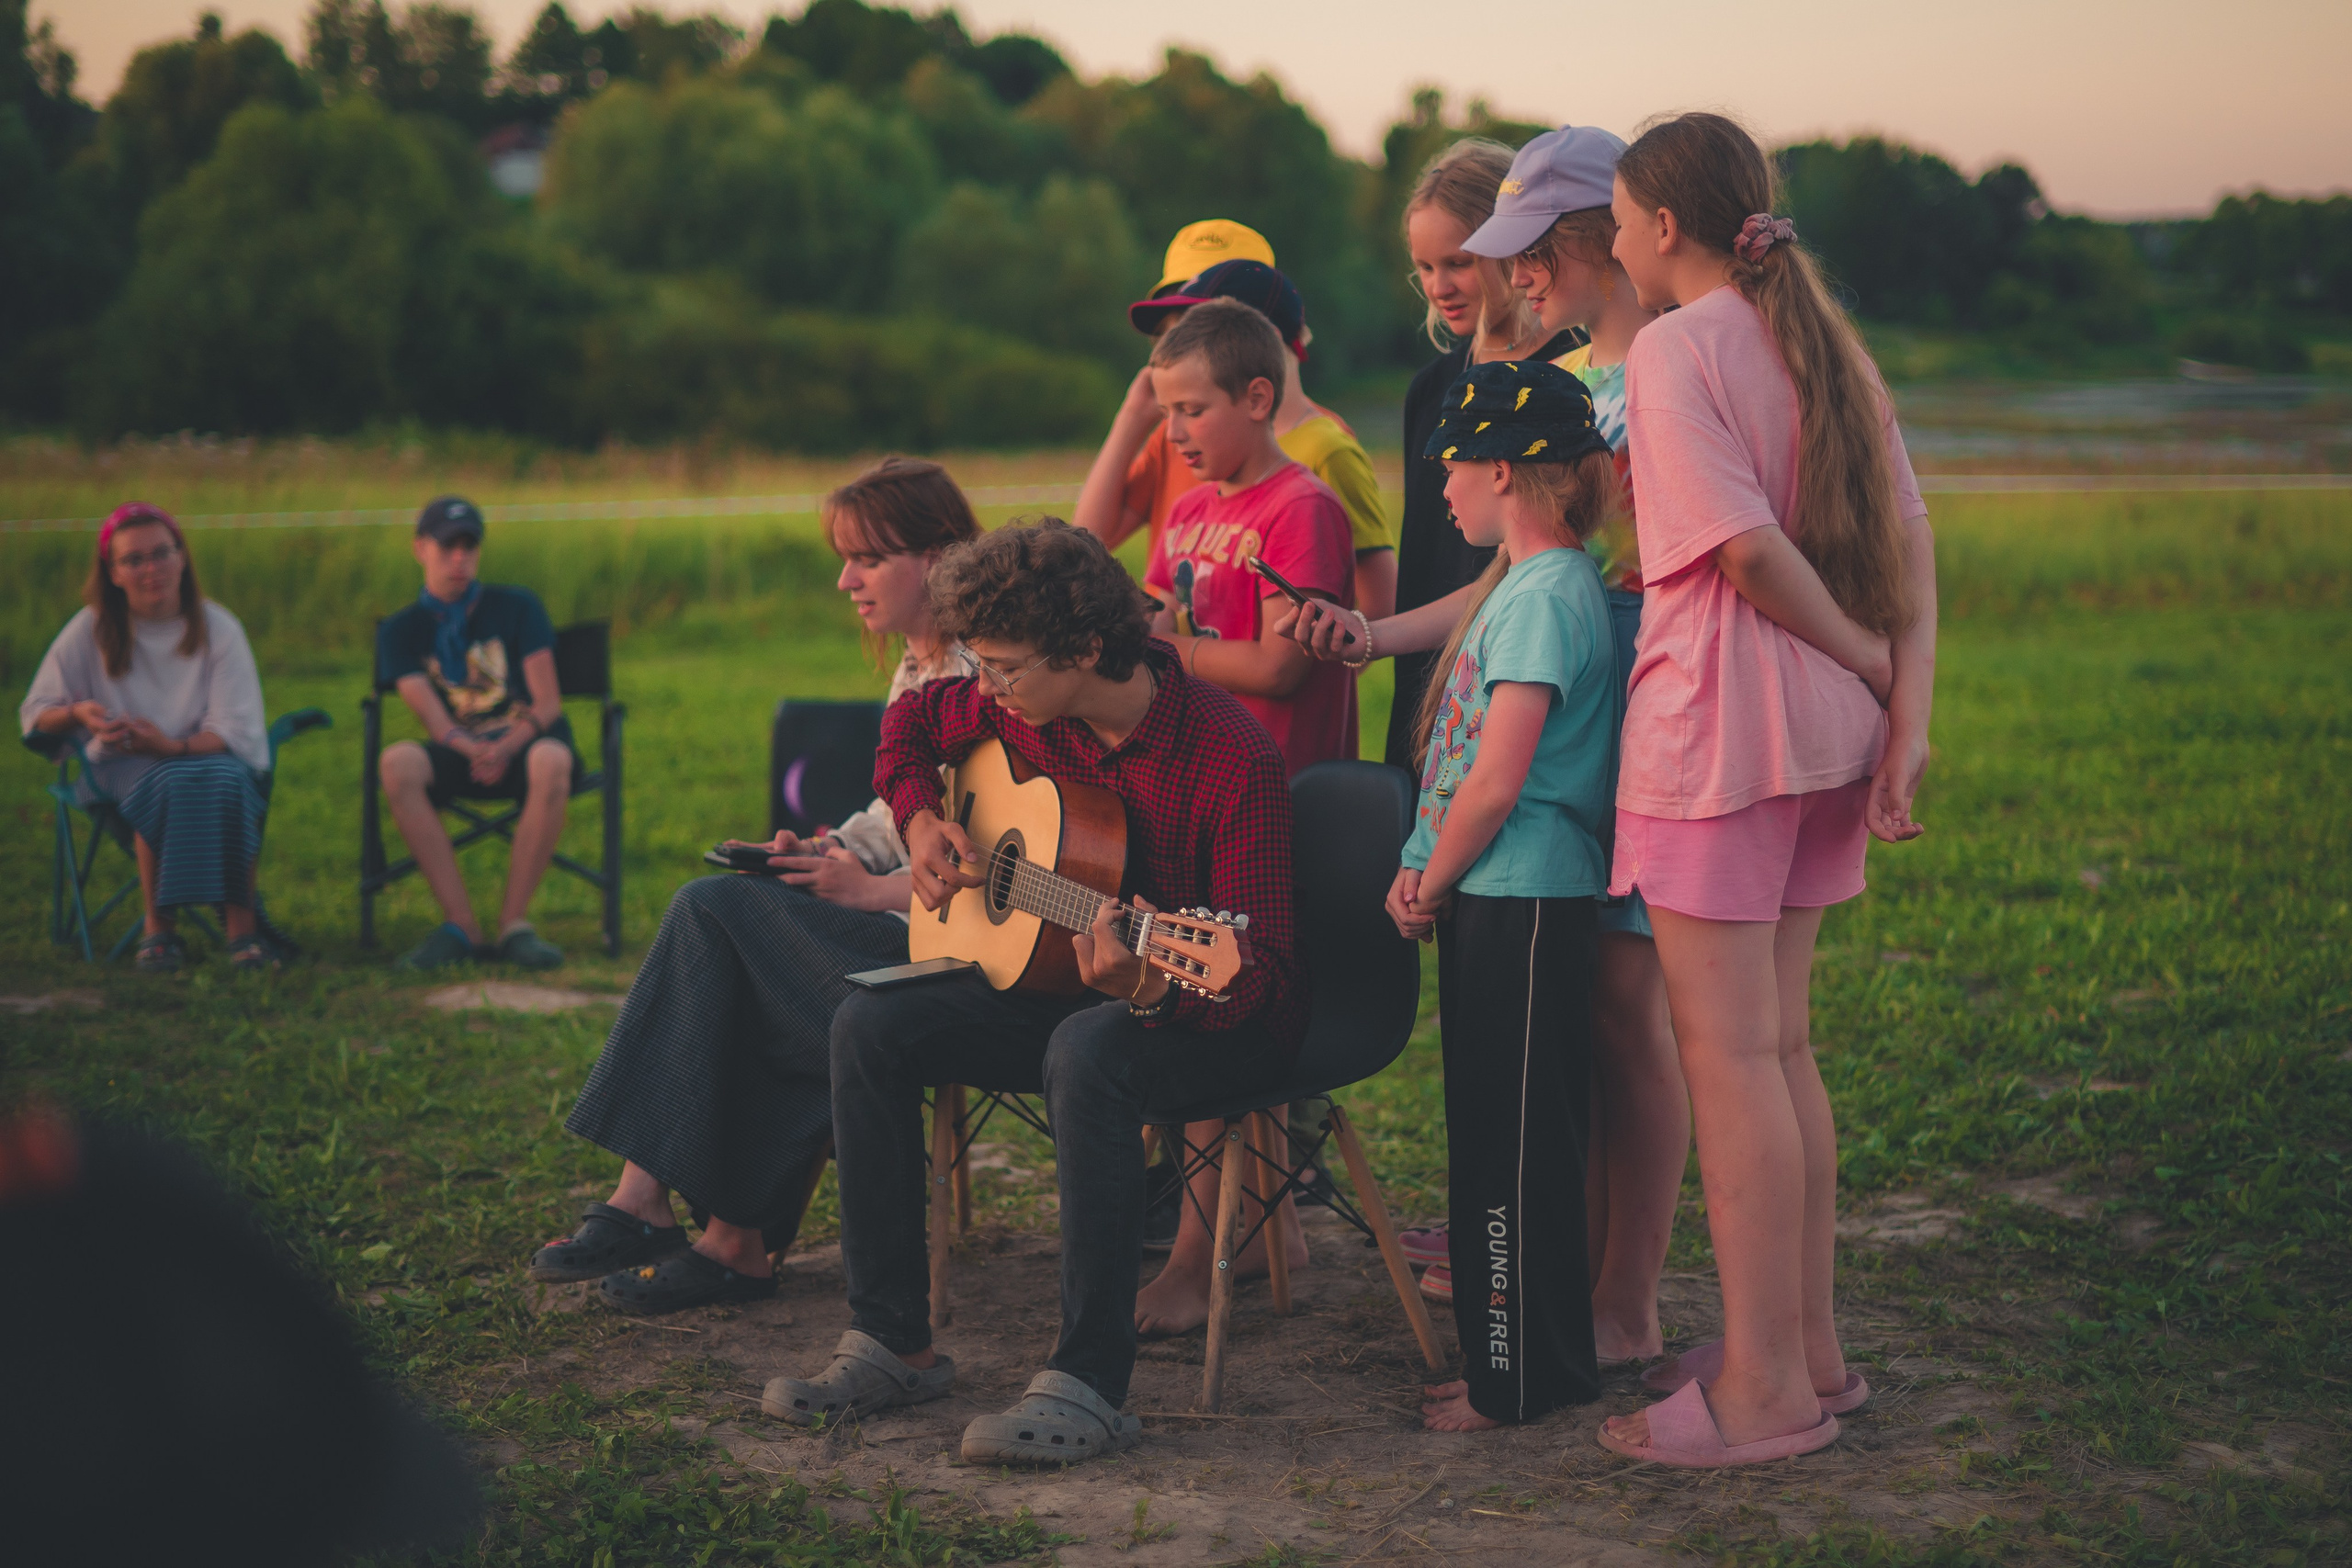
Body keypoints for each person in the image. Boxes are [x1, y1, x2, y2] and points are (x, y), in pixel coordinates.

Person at [763, 519, 1303, 1469]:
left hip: (1206, 1018)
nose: (989, 687)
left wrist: (1149, 985)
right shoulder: (1013, 709)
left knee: (1090, 1047)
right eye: (984, 665)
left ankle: (1089, 1384)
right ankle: (894, 1343)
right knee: (870, 1023)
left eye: (1006, 667)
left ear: (1087, 649)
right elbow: (913, 723)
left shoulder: (1230, 759)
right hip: (1065, 989)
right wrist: (921, 813)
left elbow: (1257, 981)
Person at [1594, 112, 1938, 1468]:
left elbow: (1738, 551)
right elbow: (1911, 537)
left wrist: (1863, 656)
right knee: (1781, 1048)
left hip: (1723, 740)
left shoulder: (1676, 346)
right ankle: (1811, 1353)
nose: (1615, 245)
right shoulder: (1826, 340)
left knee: (1732, 1060)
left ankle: (1764, 1390)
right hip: (1827, 745)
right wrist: (1897, 707)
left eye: (1619, 221)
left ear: (1664, 228)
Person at [531, 459, 977, 1313]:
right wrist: (823, 849)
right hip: (905, 914)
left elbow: (997, 853)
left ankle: (694, 1224)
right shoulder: (919, 666)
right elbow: (900, 814)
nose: (845, 579)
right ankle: (678, 1216)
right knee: (726, 916)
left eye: (868, 558)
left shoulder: (987, 672)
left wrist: (867, 891)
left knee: (720, 920)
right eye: (843, 558)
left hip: (954, 943)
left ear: (941, 555)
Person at [1468, 126, 1685, 1365]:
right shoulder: (1565, 376)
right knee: (1586, 1004)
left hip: (1649, 706)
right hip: (1573, 720)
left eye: (1532, 250)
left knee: (1623, 1003)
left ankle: (1629, 1294)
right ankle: (1585, 1269)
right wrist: (1380, 630)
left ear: (1593, 237)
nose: (1517, 276)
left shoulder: (1663, 365)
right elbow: (1527, 558)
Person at [1374, 360, 1621, 1432]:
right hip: (1489, 892)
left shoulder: (1551, 595)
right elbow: (1460, 768)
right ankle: (1525, 1364)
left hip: (1521, 899)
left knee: (1509, 1150)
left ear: (1511, 473)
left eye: (1454, 466)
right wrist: (1419, 860)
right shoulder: (1517, 587)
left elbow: (1498, 777)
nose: (1441, 490)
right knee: (1489, 1137)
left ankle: (1511, 1384)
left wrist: (1427, 875)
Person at [1129, 296, 1355, 1333]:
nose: (1172, 433)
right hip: (1197, 801)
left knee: (1210, 1005)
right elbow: (1163, 625)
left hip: (1282, 808)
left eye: (1190, 408)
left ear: (1257, 398)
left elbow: (1277, 659)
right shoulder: (1182, 511)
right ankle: (1274, 1236)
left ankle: (1192, 1259)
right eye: (1163, 410)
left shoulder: (1299, 507)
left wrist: (1166, 651)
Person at [1385, 139, 1584, 773]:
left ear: (1511, 247)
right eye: (1424, 267)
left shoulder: (1572, 374)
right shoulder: (1430, 389)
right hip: (1426, 682)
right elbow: (1425, 557)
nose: (1438, 287)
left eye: (1458, 262)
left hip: (1522, 681)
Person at [1075, 250, 1399, 619]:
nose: (1175, 348)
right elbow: (1088, 540)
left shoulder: (1323, 452)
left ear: (1260, 333)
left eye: (1202, 329)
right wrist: (1133, 416)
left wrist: (1322, 670)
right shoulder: (1181, 439)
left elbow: (1373, 612)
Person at [21, 503, 274, 973]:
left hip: (202, 756)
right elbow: (35, 717)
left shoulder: (219, 627)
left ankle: (243, 932)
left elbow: (233, 730)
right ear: (113, 573)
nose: (151, 568)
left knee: (228, 777)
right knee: (167, 781)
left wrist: (172, 747)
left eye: (161, 553)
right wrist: (80, 713)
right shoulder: (89, 629)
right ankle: (160, 929)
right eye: (133, 560)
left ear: (182, 557)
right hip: (117, 766)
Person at [374, 497, 578, 971]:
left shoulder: (518, 607)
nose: (460, 558)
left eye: (469, 546)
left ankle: (514, 926)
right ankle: (460, 925)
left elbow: (548, 703)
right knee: (397, 763)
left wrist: (504, 748)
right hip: (459, 751)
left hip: (527, 746)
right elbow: (435, 721)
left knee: (552, 758)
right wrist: (475, 751)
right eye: (447, 547)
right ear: (420, 548)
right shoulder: (401, 630)